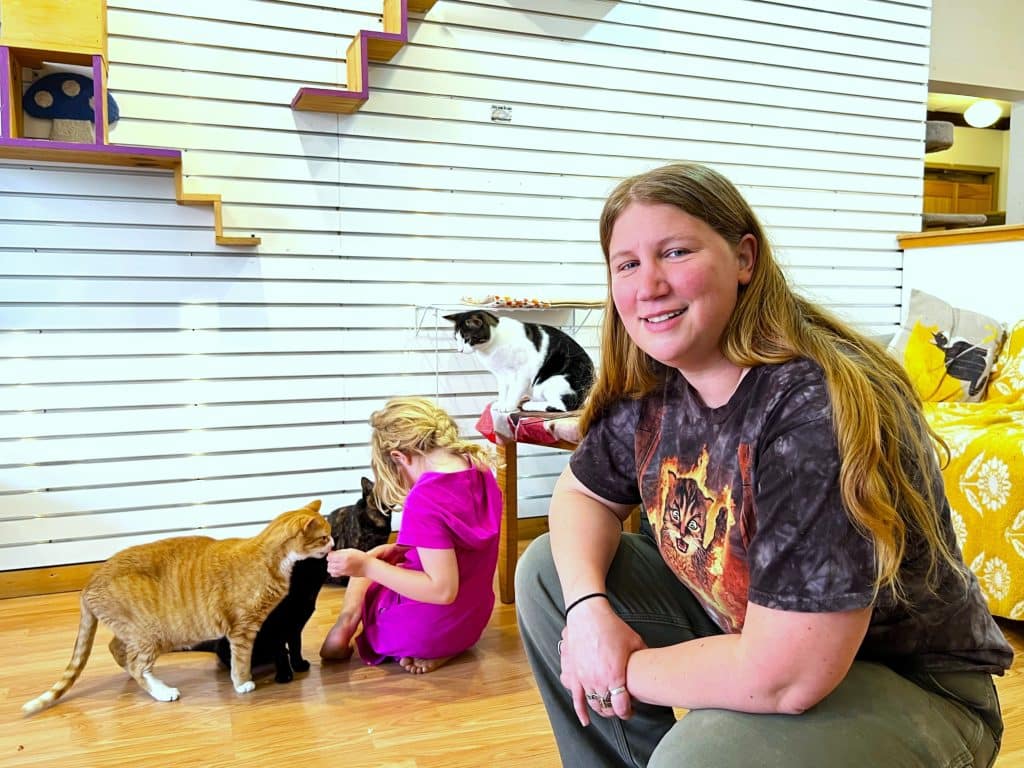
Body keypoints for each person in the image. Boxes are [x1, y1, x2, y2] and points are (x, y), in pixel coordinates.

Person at [515, 162, 1013, 766]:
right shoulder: (654, 387)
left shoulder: (814, 408)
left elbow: (787, 676)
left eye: (675, 252)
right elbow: (582, 494)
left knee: (699, 757)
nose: (648, 286)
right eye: (627, 264)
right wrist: (588, 615)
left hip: (912, 686)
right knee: (549, 572)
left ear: (744, 258)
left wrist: (612, 664)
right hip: (763, 636)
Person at [320, 396, 502, 674]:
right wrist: (405, 549)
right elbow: (462, 546)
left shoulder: (424, 498)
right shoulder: (480, 471)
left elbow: (442, 590)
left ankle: (346, 622)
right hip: (471, 624)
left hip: (422, 630)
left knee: (368, 568)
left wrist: (367, 566)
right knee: (382, 560)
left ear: (399, 457)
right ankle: (446, 649)